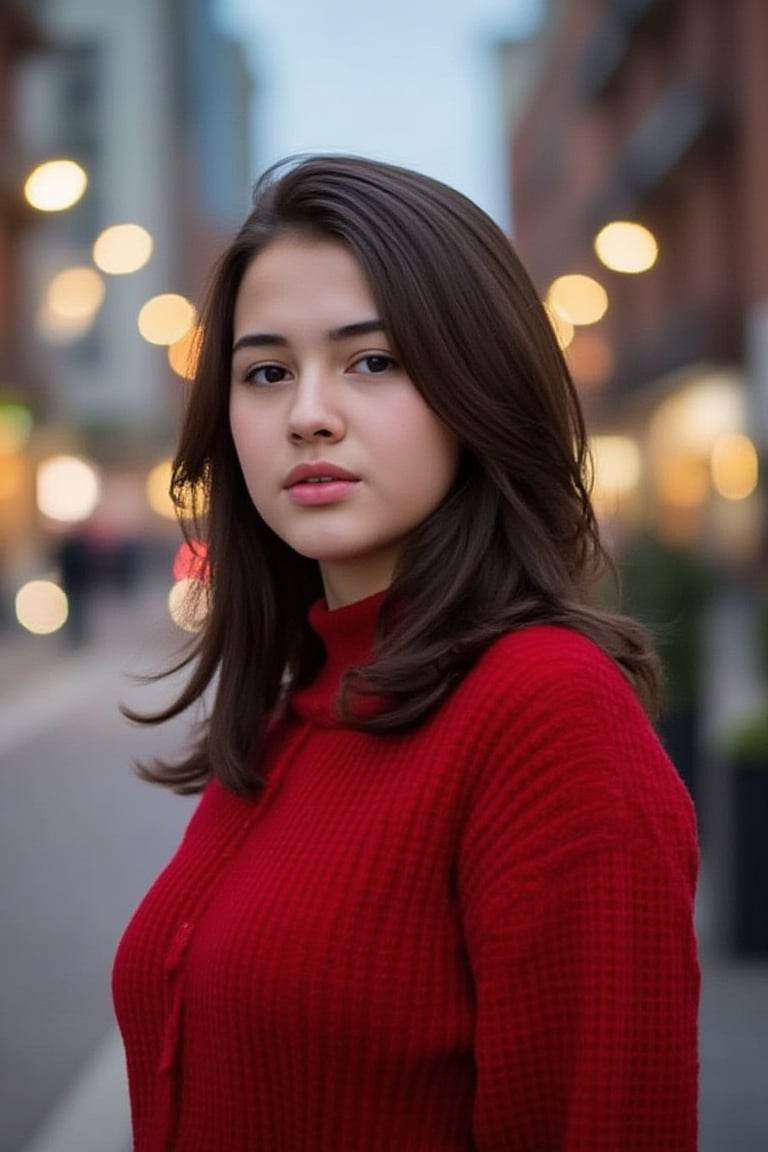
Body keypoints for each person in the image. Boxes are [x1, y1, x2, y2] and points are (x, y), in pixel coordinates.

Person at [113, 155, 699, 1151]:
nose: (307, 413)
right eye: (265, 372)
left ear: (478, 385)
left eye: (372, 361)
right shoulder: (286, 707)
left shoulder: (547, 716)